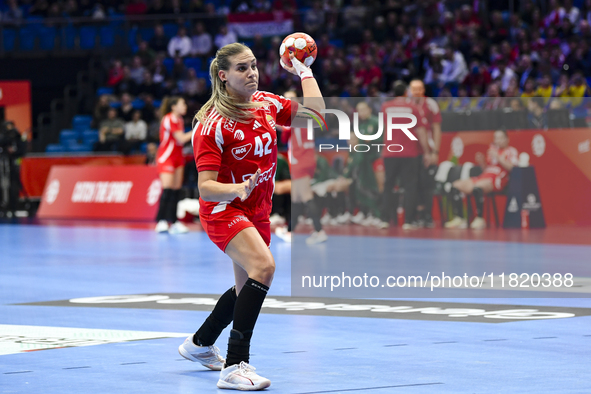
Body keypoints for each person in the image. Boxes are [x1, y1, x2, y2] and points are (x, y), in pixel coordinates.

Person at [180, 42, 324, 390]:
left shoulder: (268, 104)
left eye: (254, 66)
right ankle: (234, 366)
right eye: (242, 68)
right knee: (265, 268)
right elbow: (206, 187)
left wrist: (305, 72)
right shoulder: (211, 124)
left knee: (247, 287)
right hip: (224, 210)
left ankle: (199, 344)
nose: (252, 73)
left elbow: (317, 116)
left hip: (258, 211)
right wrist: (237, 189)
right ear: (223, 75)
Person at [277, 91, 327, 245]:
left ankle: (319, 231)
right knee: (297, 199)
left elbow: (284, 134)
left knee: (305, 196)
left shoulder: (294, 115)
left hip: (300, 160)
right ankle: (290, 231)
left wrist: (267, 118)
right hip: (307, 158)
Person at [380, 80, 429, 230]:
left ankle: (385, 219)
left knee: (388, 186)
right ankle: (408, 221)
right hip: (409, 153)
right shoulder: (412, 107)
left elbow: (382, 130)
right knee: (410, 187)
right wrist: (427, 151)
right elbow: (421, 131)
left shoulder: (385, 107)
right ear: (406, 92)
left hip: (390, 153)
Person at [445, 129, 518, 229]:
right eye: (496, 138)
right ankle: (459, 218)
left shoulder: (511, 151)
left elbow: (512, 168)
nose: (498, 140)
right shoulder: (492, 151)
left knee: (478, 187)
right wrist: (482, 162)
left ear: (507, 139)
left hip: (498, 180)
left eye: (501, 138)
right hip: (485, 177)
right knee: (456, 185)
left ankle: (479, 219)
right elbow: (487, 169)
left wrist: (498, 156)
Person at [154, 97, 193, 233]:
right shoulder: (168, 119)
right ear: (173, 106)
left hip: (178, 157)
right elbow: (181, 138)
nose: (185, 106)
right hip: (167, 157)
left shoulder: (180, 120)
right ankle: (161, 221)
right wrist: (199, 129)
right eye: (182, 104)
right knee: (168, 190)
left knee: (176, 190)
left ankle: (174, 222)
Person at [410, 79, 442, 228]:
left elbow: (436, 128)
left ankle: (427, 216)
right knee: (412, 183)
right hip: (409, 151)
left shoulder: (430, 104)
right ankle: (416, 215)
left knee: (426, 183)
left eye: (419, 89)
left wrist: (434, 151)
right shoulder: (406, 104)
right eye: (413, 89)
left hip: (426, 150)